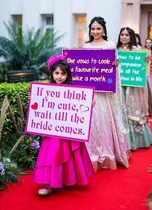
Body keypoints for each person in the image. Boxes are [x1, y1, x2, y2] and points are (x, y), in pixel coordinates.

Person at [33, 54, 94, 196]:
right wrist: (34, 100)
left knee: (67, 153)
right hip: (52, 132)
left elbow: (79, 110)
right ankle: (49, 183)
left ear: (68, 75)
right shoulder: (46, 90)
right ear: (52, 73)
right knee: (52, 154)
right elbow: (41, 108)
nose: (59, 76)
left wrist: (89, 105)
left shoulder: (74, 90)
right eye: (57, 73)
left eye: (63, 73)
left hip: (68, 132)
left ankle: (65, 180)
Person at [83, 17, 130, 170]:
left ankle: (108, 153)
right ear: (90, 30)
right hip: (91, 91)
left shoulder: (110, 45)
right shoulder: (85, 46)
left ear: (103, 29)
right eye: (93, 29)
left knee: (103, 119)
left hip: (104, 91)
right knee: (92, 121)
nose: (95, 31)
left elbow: (116, 69)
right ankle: (90, 154)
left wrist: (115, 66)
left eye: (98, 28)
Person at [117, 27, 152, 150]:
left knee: (133, 109)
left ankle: (137, 141)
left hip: (133, 86)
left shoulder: (137, 50)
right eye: (122, 35)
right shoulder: (115, 51)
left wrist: (146, 61)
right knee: (121, 110)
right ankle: (122, 142)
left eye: (127, 35)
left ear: (131, 37)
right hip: (120, 86)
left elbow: (143, 67)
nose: (124, 37)